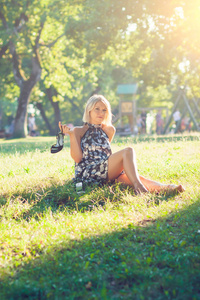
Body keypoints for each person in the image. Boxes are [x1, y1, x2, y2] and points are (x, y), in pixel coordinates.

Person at [59, 95, 185, 194]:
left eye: (104, 110)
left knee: (136, 177)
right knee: (128, 151)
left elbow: (105, 155)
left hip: (106, 172)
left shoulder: (109, 130)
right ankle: (139, 188)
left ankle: (168, 188)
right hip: (89, 174)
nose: (101, 113)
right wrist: (70, 136)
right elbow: (77, 159)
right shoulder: (78, 131)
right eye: (97, 109)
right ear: (89, 110)